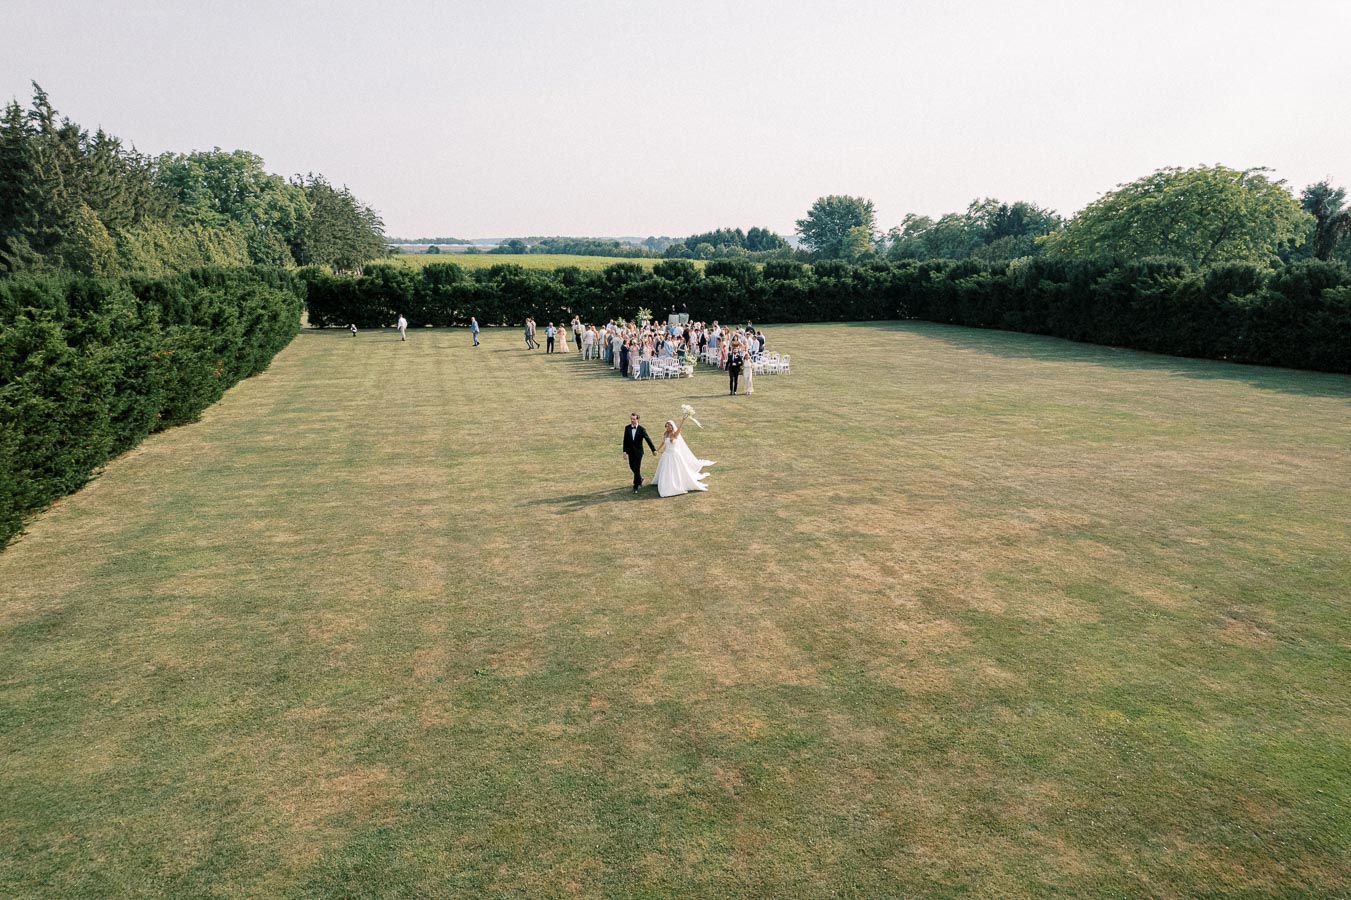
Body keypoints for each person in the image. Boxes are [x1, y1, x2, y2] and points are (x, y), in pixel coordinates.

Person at [653, 417, 714, 497]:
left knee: (676, 470)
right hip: (667, 454)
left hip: (674, 455)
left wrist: (683, 420)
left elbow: (679, 428)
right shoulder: (665, 434)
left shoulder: (675, 434)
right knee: (666, 469)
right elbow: (663, 443)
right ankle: (666, 482)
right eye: (667, 426)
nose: (668, 427)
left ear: (672, 426)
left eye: (669, 426)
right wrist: (657, 450)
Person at [621, 412, 657, 494]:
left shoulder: (641, 429)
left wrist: (653, 449)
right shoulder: (627, 428)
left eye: (634, 419)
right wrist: (624, 451)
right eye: (631, 419)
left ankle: (635, 486)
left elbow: (648, 439)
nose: (632, 420)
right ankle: (640, 478)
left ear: (638, 419)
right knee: (631, 466)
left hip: (639, 452)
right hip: (630, 452)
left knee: (636, 468)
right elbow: (625, 441)